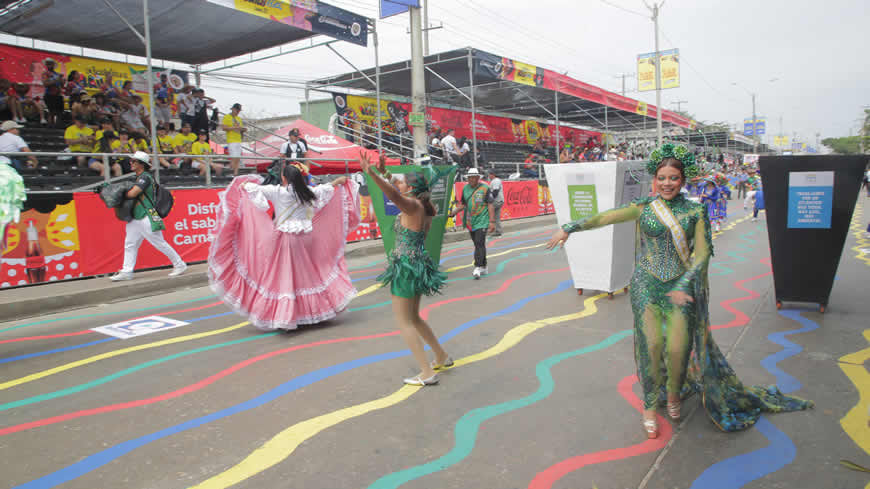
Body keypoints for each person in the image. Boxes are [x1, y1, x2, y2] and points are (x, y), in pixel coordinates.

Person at [546, 143, 812, 438]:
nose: (667, 183)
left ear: (682, 180)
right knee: (650, 348)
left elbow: (701, 254)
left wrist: (684, 285)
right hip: (646, 286)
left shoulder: (696, 211)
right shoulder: (644, 209)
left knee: (676, 349)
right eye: (662, 178)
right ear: (654, 180)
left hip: (681, 289)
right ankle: (649, 406)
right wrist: (569, 227)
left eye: (673, 178)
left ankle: (673, 394)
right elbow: (605, 217)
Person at [208, 163, 360, 331]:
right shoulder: (308, 191)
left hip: (288, 239)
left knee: (287, 277)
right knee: (309, 274)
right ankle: (316, 310)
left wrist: (245, 184)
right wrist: (338, 181)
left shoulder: (278, 192)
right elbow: (326, 188)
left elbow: (252, 188)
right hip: (306, 237)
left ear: (284, 178)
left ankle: (289, 314)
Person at [359, 151, 451, 386]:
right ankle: (441, 356)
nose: (398, 182)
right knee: (414, 318)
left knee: (405, 322)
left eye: (403, 181)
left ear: (410, 189)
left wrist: (372, 174)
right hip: (418, 263)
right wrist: (383, 173)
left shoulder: (411, 206)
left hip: (407, 267)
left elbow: (392, 193)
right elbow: (396, 187)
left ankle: (426, 372)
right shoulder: (423, 205)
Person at [110, 151, 187, 281]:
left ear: (142, 164)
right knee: (130, 244)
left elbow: (133, 193)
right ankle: (127, 271)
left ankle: (180, 264)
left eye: (134, 161)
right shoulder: (139, 177)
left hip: (147, 215)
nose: (131, 163)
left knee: (159, 242)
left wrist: (117, 192)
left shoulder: (145, 177)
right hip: (136, 217)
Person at [450, 167, 495, 279]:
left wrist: (492, 221)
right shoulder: (465, 189)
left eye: (473, 177)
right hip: (471, 221)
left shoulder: (485, 188)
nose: (471, 179)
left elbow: (490, 204)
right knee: (478, 244)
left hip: (482, 220)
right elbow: (463, 204)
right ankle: (484, 266)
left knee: (479, 243)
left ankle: (477, 267)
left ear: (478, 178)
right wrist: (453, 212)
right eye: (469, 177)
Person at [222, 103, 246, 176]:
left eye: (239, 110)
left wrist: (242, 130)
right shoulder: (227, 117)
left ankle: (235, 173)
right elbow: (224, 128)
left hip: (238, 139)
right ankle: (231, 171)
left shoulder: (238, 118)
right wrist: (235, 128)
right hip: (231, 140)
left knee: (238, 158)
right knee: (234, 157)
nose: (238, 112)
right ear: (233, 109)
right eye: (237, 110)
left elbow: (240, 128)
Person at [41, 58, 64, 127]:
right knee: (51, 111)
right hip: (49, 94)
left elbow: (62, 85)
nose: (49, 65)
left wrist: (62, 81)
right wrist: (56, 79)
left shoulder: (57, 74)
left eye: (51, 64)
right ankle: (50, 125)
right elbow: (45, 84)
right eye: (48, 64)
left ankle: (58, 125)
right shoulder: (45, 73)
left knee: (60, 111)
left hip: (58, 94)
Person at [487, 169, 504, 236]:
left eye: (489, 174)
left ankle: (488, 229)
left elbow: (495, 192)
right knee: (496, 216)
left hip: (496, 201)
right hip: (499, 200)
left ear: (492, 174)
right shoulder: (495, 181)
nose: (488, 175)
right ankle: (498, 231)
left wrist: (490, 200)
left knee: (486, 212)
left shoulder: (496, 181)